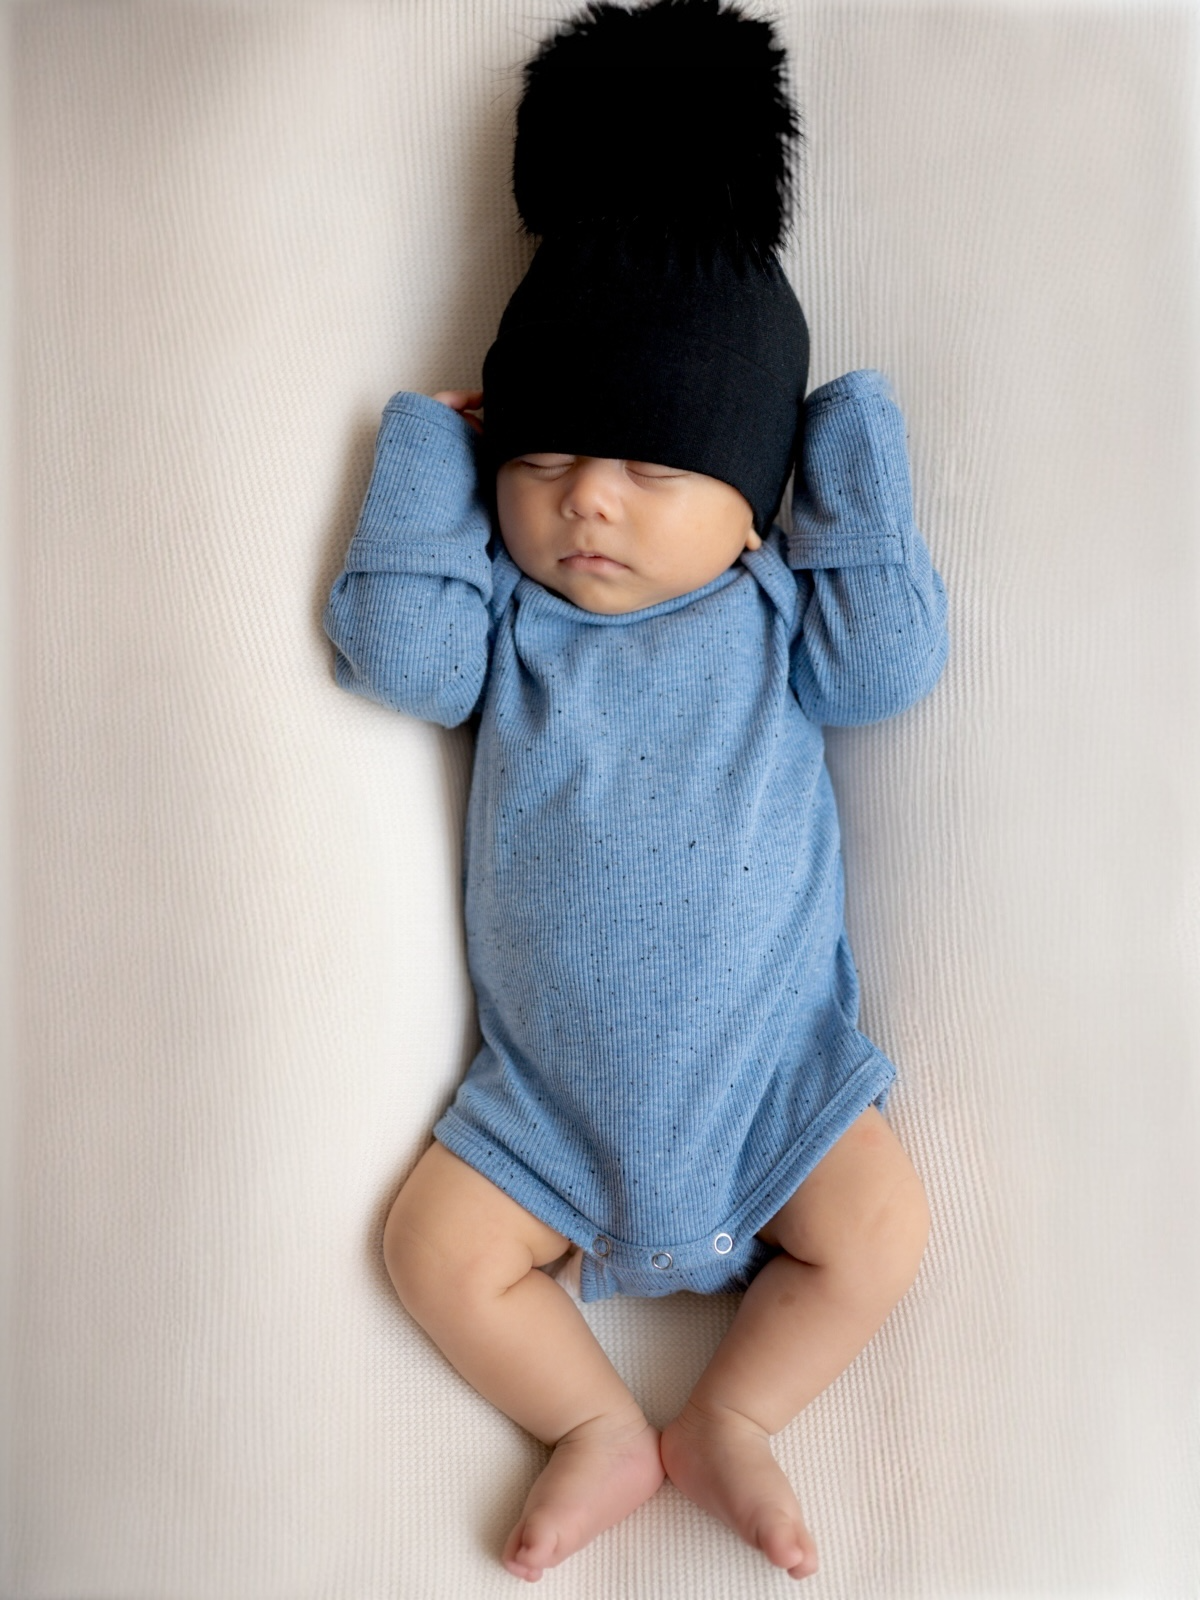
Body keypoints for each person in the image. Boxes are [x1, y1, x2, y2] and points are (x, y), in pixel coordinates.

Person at [323, 0, 949, 1582]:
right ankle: (597, 1423)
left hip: (779, 1095)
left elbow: (890, 665)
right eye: (544, 465)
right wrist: (429, 452)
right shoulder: (510, 619)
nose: (590, 501)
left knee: (882, 1231)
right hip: (542, 1116)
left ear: (749, 505)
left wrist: (843, 435)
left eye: (657, 470)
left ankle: (736, 1414)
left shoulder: (772, 613)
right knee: (433, 1248)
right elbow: (400, 657)